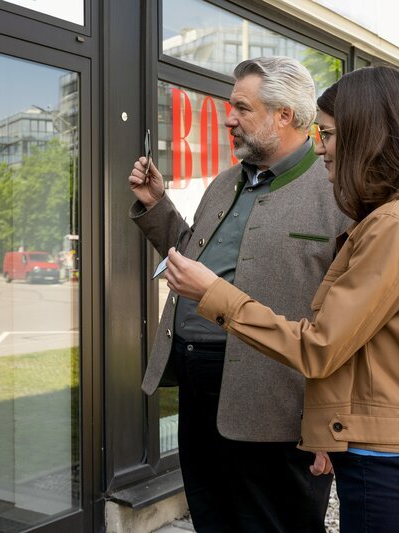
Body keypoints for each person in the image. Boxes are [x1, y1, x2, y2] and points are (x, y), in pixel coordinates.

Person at [166, 65, 399, 533]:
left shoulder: (393, 225)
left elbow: (321, 346)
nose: (322, 147)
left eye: (327, 134)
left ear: (366, 137)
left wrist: (214, 294)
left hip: (390, 464)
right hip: (391, 455)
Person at [128, 56, 351, 532]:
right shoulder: (225, 182)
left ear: (284, 115)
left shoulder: (335, 191)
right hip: (198, 386)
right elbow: (193, 256)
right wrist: (157, 205)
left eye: (242, 108)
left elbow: (351, 325)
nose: (229, 119)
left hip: (276, 403)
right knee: (212, 518)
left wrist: (333, 425)